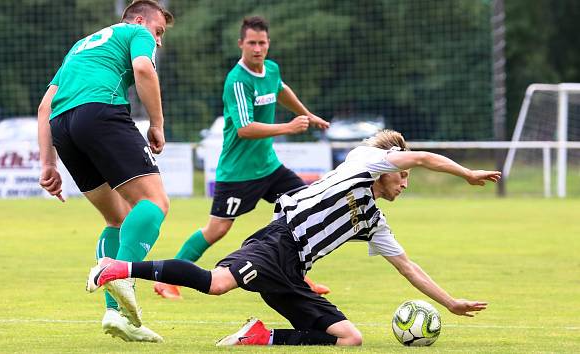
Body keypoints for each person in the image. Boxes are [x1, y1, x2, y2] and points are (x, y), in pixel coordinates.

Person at [87, 129, 501, 346]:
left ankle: (261, 337)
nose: (405, 183)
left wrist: (451, 303)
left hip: (294, 270)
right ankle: (119, 268)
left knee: (348, 339)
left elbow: (408, 266)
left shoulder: (373, 221)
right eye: (403, 175)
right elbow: (426, 157)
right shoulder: (364, 162)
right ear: (389, 165)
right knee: (217, 284)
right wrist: (466, 173)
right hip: (277, 241)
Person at [154, 15, 331, 300]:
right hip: (238, 173)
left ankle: (298, 276)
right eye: (252, 43)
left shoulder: (271, 70)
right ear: (241, 44)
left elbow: (281, 90)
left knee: (303, 210)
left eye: (262, 43)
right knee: (217, 229)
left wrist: (307, 114)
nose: (257, 49)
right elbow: (245, 129)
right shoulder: (237, 80)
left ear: (268, 43)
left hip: (269, 167)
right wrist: (289, 126)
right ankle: (168, 280)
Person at [37, 0, 173, 343]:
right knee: (155, 202)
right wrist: (157, 124)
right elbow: (143, 69)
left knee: (118, 219)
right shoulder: (135, 32)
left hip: (63, 126)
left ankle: (116, 314)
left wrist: (48, 164)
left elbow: (44, 106)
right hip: (100, 111)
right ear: (140, 20)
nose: (157, 40)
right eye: (158, 31)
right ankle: (119, 274)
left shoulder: (82, 45)